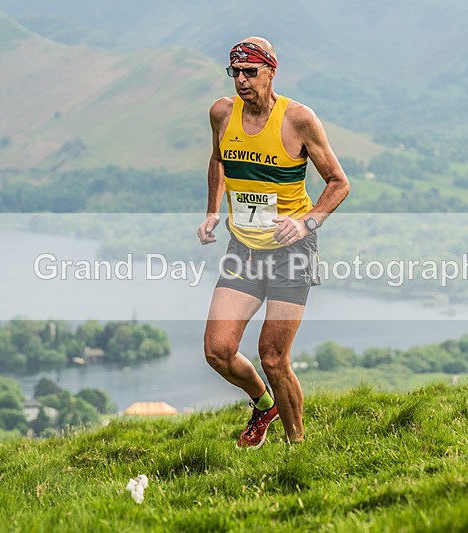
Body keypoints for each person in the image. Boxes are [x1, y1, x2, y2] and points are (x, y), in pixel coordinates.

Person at [197, 37, 349, 448]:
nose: (242, 81)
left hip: (290, 253)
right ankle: (264, 405)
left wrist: (307, 224)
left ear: (271, 71)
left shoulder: (298, 119)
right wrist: (213, 210)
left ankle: (296, 447)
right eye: (235, 73)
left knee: (272, 356)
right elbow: (219, 159)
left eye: (250, 72)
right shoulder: (221, 114)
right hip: (244, 250)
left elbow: (339, 183)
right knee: (218, 350)